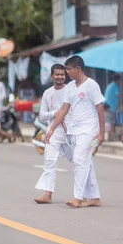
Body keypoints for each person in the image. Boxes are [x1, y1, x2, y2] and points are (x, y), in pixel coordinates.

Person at [34, 64, 98, 204]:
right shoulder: (47, 93)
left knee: (80, 164)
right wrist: (54, 114)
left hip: (71, 133)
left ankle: (89, 195)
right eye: (57, 74)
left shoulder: (72, 89)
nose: (60, 77)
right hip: (54, 133)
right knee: (49, 161)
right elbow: (42, 116)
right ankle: (47, 194)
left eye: (62, 74)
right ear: (52, 76)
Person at [46, 56, 104, 208]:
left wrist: (102, 133)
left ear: (77, 68)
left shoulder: (92, 85)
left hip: (89, 130)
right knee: (87, 163)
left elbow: (100, 109)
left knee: (79, 160)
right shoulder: (70, 87)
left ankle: (78, 197)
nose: (67, 73)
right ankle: (95, 198)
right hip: (73, 130)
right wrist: (52, 129)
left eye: (69, 69)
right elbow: (64, 109)